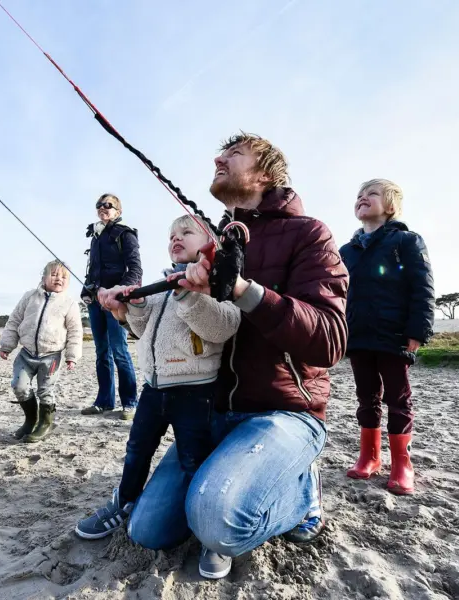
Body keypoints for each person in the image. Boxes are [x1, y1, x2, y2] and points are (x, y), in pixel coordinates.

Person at [101, 133, 349, 579]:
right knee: (147, 529)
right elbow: (176, 330)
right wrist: (126, 312)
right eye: (220, 152)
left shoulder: (309, 233)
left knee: (216, 522)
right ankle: (224, 479)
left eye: (234, 154)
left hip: (285, 412)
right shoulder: (208, 241)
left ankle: (299, 487)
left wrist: (243, 289)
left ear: (266, 173)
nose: (218, 157)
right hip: (207, 412)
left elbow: (330, 340)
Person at [75, 215, 240, 549]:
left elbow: (222, 328)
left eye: (186, 232)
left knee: (193, 459)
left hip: (195, 391)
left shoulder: (220, 282)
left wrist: (190, 295)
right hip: (154, 387)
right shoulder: (162, 284)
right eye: (171, 235)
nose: (176, 238)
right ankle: (123, 502)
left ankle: (204, 526)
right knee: (136, 449)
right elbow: (139, 328)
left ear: (209, 241)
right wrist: (132, 306)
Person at [338, 179, 435, 495]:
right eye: (359, 194)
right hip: (358, 335)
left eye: (372, 194)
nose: (363, 198)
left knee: (398, 399)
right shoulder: (346, 251)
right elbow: (337, 294)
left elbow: (422, 287)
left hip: (394, 335)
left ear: (390, 205)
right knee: (366, 398)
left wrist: (417, 331)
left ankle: (401, 465)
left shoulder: (406, 241)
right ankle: (369, 456)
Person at [0, 260, 83, 443]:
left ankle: (46, 423)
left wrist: (72, 356)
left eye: (63, 277)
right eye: (54, 275)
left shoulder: (69, 304)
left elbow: (76, 331)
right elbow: (14, 320)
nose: (58, 279)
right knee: (19, 386)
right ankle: (31, 419)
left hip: (51, 356)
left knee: (45, 390)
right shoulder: (30, 297)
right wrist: (7, 345)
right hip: (26, 353)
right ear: (43, 277)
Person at [80, 193, 142, 420]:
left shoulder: (125, 234)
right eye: (99, 205)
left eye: (109, 205)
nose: (103, 208)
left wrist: (119, 292)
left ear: (118, 211)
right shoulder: (95, 236)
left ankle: (129, 403)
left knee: (119, 350)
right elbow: (93, 270)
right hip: (96, 302)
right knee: (101, 352)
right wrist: (87, 290)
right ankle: (104, 402)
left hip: (115, 301)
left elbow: (135, 270)